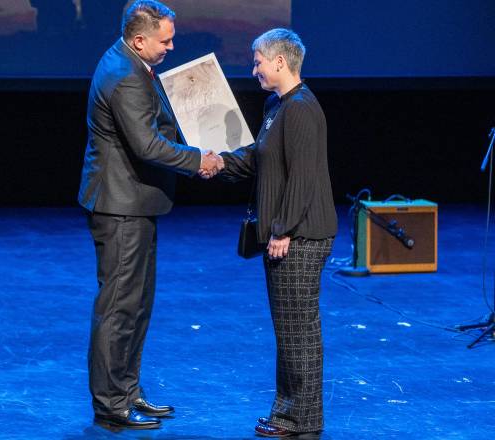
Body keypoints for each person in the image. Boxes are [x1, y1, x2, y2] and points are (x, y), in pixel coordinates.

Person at [78, 0, 221, 430]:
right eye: (166, 40)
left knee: (137, 305)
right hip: (120, 208)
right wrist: (199, 160)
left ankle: (127, 389)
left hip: (134, 204)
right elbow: (147, 145)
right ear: (140, 40)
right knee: (120, 307)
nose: (171, 46)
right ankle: (110, 404)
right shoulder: (123, 76)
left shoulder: (131, 62)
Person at [208, 28, 337, 437]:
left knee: (298, 330)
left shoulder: (300, 108)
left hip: (300, 236)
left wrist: (283, 231)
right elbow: (257, 159)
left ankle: (303, 418)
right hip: (288, 233)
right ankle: (289, 413)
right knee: (289, 330)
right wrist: (216, 163)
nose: (255, 69)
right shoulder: (276, 106)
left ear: (280, 62)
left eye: (259, 61)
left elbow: (303, 176)